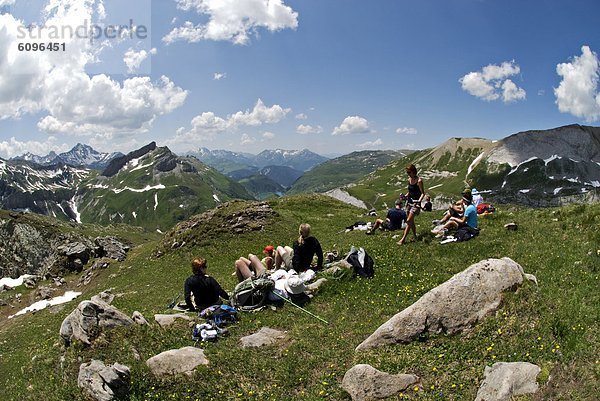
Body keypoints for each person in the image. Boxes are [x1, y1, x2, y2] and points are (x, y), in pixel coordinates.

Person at [397, 164, 425, 245]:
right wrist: (405, 196)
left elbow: (423, 193)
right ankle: (415, 236)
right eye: (407, 172)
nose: (408, 174)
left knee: (408, 220)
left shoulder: (419, 181)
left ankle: (403, 239)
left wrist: (418, 202)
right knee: (411, 221)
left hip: (416, 204)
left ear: (413, 171)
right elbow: (410, 191)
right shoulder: (409, 180)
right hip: (409, 202)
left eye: (409, 172)